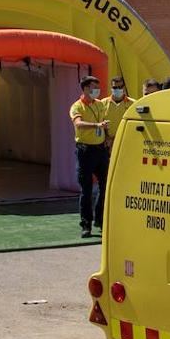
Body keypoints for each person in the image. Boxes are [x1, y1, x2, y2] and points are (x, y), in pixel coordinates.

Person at [70, 75, 109, 238]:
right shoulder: (77, 106)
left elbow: (104, 122)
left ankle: (100, 220)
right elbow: (78, 123)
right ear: (86, 88)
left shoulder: (100, 104)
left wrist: (106, 135)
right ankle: (86, 224)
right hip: (85, 151)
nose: (96, 91)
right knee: (86, 189)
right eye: (93, 87)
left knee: (105, 185)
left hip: (101, 150)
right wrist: (96, 126)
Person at [101, 76, 135, 149]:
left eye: (120, 87)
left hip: (125, 142)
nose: (118, 89)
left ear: (124, 87)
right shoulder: (102, 103)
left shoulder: (133, 103)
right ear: (111, 88)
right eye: (115, 87)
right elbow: (99, 122)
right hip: (106, 144)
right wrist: (107, 137)